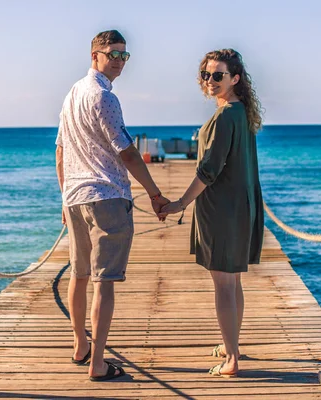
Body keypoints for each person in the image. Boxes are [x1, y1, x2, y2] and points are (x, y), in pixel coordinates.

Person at [55, 29, 169, 382]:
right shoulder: (103, 96)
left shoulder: (72, 93)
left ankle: (80, 346)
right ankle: (98, 364)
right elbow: (128, 151)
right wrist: (154, 193)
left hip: (76, 197)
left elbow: (59, 151)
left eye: (124, 55)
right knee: (103, 281)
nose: (119, 61)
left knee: (79, 274)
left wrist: (64, 195)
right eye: (112, 54)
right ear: (95, 56)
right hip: (106, 195)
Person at [160, 49, 264, 378]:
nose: (210, 81)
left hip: (222, 211)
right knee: (232, 281)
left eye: (218, 75)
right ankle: (231, 343)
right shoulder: (239, 112)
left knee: (223, 284)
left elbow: (208, 171)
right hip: (237, 207)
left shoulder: (225, 116)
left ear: (235, 78)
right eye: (206, 75)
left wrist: (179, 203)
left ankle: (232, 359)